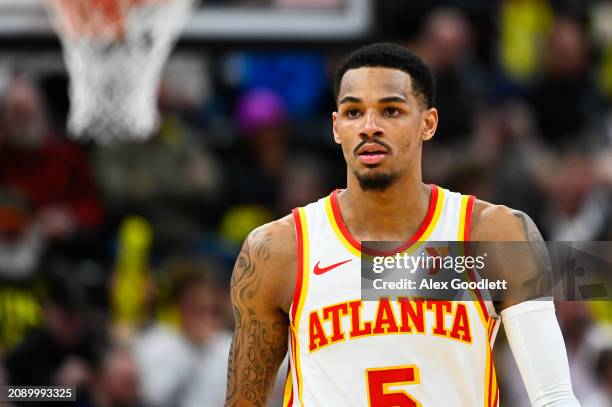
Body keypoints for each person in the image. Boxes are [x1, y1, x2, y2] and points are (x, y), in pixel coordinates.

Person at [224, 43, 581, 406]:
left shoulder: (490, 234)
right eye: (353, 112)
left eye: (390, 110)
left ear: (428, 123)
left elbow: (554, 398)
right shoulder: (279, 249)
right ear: (336, 127)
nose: (369, 127)